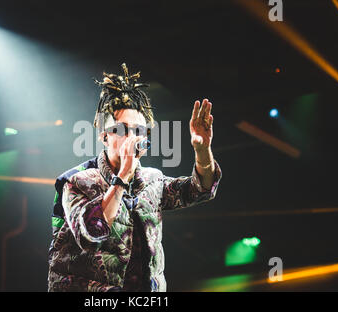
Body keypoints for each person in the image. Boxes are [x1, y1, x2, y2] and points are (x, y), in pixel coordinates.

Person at [48, 63, 222, 292]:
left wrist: (202, 150)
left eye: (139, 131)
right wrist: (122, 176)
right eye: (122, 129)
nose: (132, 137)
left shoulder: (152, 180)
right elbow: (91, 233)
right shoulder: (77, 181)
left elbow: (200, 190)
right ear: (104, 135)